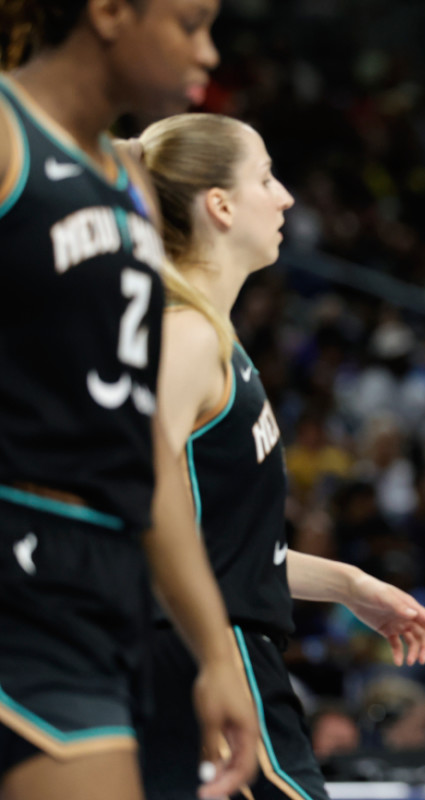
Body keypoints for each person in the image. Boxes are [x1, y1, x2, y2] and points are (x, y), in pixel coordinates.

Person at [133, 112, 425, 800]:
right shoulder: (183, 336)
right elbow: (132, 499)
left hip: (213, 647)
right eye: (266, 177)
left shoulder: (213, 338)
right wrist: (210, 655)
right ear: (219, 205)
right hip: (209, 654)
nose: (286, 198)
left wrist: (348, 584)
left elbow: (221, 545)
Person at [0, 4, 260, 799]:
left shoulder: (129, 187)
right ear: (110, 12)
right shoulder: (8, 133)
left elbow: (146, 452)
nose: (208, 52)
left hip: (98, 580)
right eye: (190, 23)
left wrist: (216, 654)